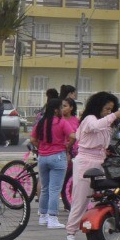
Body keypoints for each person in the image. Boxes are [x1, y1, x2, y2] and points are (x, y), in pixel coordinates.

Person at [64, 91, 120, 240]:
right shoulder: (90, 119)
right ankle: (70, 233)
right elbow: (94, 127)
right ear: (98, 107)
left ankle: (99, 226)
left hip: (100, 161)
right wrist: (114, 116)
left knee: (104, 195)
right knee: (80, 199)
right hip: (86, 161)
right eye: (106, 108)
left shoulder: (105, 122)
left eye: (111, 109)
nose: (109, 112)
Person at [32, 94, 74, 230]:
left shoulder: (41, 122)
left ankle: (42, 217)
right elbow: (73, 136)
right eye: (61, 107)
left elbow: (33, 139)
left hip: (42, 157)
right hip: (58, 157)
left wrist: (41, 147)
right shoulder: (61, 122)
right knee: (55, 190)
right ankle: (53, 218)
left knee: (44, 188)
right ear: (56, 110)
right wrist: (67, 146)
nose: (62, 110)